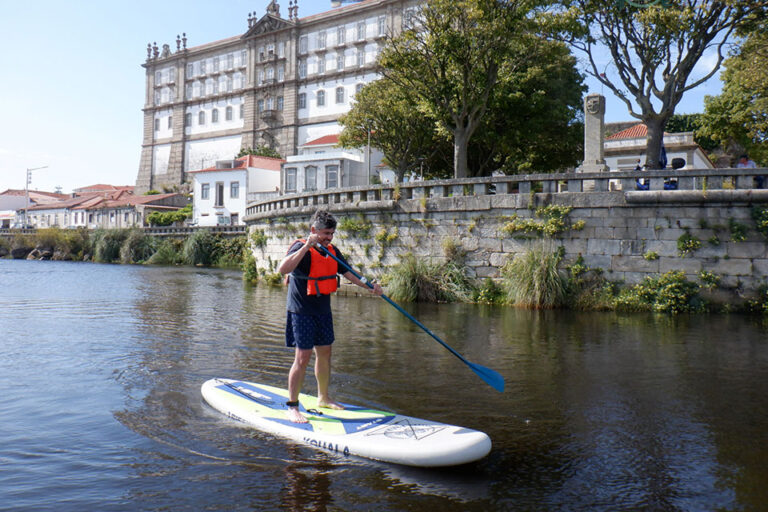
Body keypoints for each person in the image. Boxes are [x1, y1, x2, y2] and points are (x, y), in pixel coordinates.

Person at [277, 209, 383, 423]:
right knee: (302, 358)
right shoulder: (301, 247)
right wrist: (307, 245)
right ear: (313, 230)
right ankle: (292, 406)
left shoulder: (332, 250)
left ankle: (323, 398)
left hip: (322, 310)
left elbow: (349, 273)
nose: (329, 238)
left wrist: (370, 286)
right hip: (301, 311)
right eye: (325, 233)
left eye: (332, 233)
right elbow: (282, 269)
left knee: (325, 353)